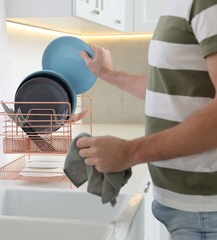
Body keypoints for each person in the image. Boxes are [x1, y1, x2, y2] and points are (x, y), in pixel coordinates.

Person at [78, 1, 217, 239]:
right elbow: (165, 88)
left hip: (204, 211)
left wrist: (128, 152)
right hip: (186, 208)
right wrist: (107, 73)